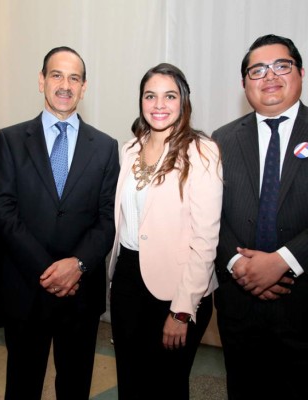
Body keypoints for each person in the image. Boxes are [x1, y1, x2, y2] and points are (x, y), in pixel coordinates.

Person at [212, 34, 308, 400]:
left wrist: (282, 261)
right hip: (240, 305)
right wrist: (236, 263)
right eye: (257, 70)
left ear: (301, 72)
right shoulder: (221, 139)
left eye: (282, 65)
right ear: (244, 83)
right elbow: (208, 214)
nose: (270, 76)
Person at [0, 46, 119, 400]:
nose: (65, 85)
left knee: (75, 386)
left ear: (84, 86)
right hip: (26, 288)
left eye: (74, 78)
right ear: (41, 80)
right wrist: (48, 269)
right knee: (22, 385)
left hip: (81, 291)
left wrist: (76, 265)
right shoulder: (11, 140)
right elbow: (2, 209)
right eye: (57, 75)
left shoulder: (106, 147)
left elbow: (108, 218)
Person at [108, 63, 223, 399]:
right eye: (150, 96)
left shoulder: (202, 151)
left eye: (169, 96)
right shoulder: (129, 149)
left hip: (178, 287)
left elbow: (205, 239)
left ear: (183, 101)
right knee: (130, 381)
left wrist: (182, 309)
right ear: (141, 102)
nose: (159, 104)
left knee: (167, 386)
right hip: (128, 278)